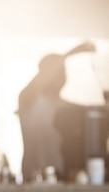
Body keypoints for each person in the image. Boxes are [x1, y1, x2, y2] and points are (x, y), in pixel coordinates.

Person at [19, 41, 96, 182]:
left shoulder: (73, 109)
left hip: (65, 179)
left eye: (63, 70)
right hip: (33, 180)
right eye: (57, 70)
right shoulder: (28, 101)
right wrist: (69, 54)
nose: (61, 74)